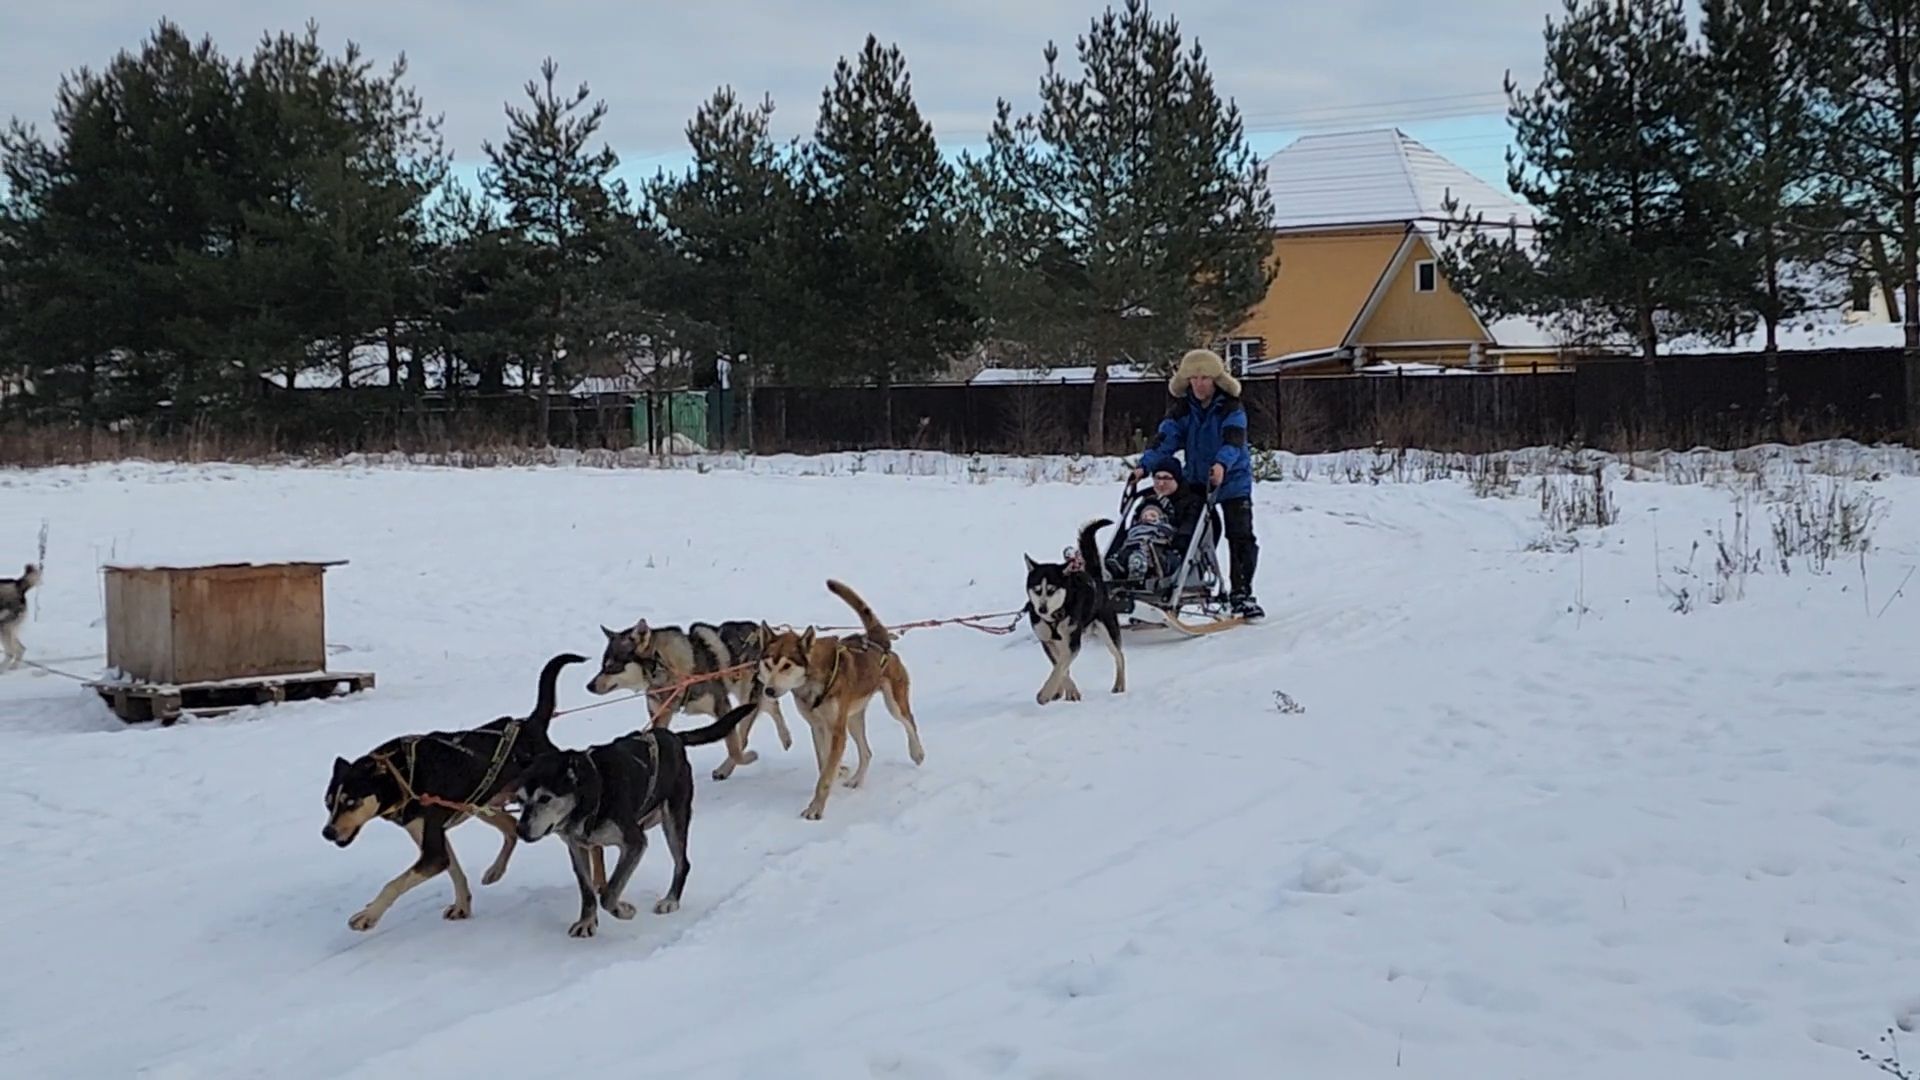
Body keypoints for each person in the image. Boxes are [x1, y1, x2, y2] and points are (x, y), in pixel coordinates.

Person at [1132, 347, 1263, 619]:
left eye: (1204, 378)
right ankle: (1181, 579)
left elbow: (1233, 442)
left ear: (1216, 380)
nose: (1199, 384)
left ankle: (1242, 593)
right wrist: (1145, 466)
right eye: (1193, 379)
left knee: (1240, 535)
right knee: (1189, 527)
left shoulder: (1231, 408)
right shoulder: (1182, 411)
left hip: (1232, 480)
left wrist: (1221, 464)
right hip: (1197, 480)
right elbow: (1165, 441)